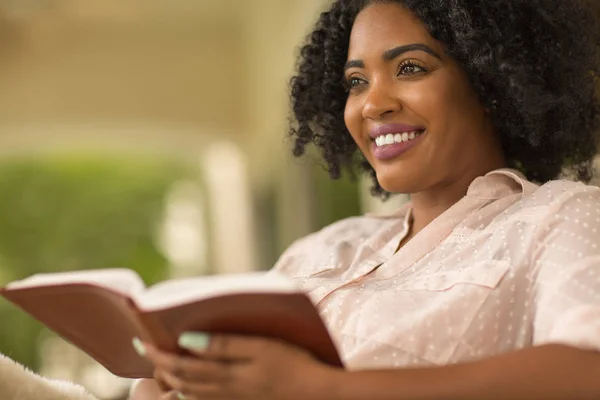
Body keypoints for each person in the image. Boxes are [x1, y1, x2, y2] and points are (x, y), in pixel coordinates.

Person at [2, 0, 600, 399]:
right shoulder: (326, 247)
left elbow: (588, 368)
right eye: (355, 81)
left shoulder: (559, 218)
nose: (373, 104)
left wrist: (321, 388)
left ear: (493, 83)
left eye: (410, 68)